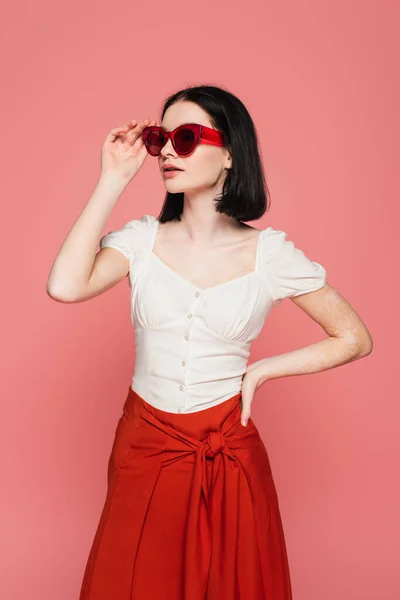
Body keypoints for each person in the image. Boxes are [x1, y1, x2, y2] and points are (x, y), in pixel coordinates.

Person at [46, 84, 373, 600]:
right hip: (144, 441)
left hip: (229, 444)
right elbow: (64, 287)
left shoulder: (270, 253)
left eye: (187, 136)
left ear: (229, 155)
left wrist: (262, 371)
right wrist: (112, 179)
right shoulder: (140, 241)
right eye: (160, 139)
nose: (169, 151)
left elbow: (354, 337)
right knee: (130, 579)